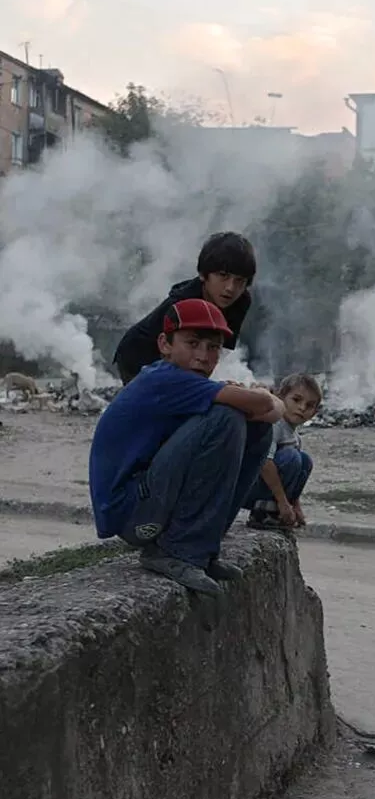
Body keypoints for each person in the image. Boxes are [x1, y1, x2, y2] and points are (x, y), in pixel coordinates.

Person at [90, 298, 284, 596]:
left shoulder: (183, 382)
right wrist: (255, 395)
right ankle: (178, 550)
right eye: (192, 343)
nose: (203, 356)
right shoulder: (164, 378)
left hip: (150, 499)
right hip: (132, 512)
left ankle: (203, 547)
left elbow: (269, 414)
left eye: (213, 347)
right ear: (164, 344)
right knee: (226, 417)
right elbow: (265, 405)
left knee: (257, 430)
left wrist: (255, 400)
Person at [113, 232, 257, 384]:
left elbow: (220, 348)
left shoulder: (241, 301)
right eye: (223, 275)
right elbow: (177, 356)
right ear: (203, 275)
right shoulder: (185, 302)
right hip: (138, 353)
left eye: (240, 280)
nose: (230, 288)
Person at [245, 373, 321, 530]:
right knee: (292, 457)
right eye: (296, 400)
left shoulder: (294, 436)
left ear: (314, 413)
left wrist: (295, 506)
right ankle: (263, 512)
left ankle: (278, 511)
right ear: (281, 398)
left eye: (309, 405)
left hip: (268, 490)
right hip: (246, 487)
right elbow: (265, 463)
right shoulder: (275, 424)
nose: (302, 408)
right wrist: (283, 502)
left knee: (305, 460)